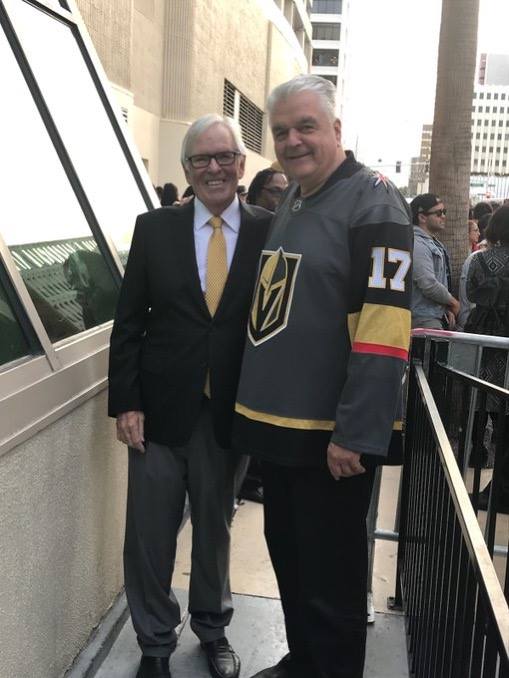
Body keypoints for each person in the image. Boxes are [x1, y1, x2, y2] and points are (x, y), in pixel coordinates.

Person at [233, 75, 412, 678]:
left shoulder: (374, 204)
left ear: (336, 129)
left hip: (329, 436)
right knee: (292, 560)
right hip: (279, 427)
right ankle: (303, 661)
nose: (292, 140)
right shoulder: (297, 198)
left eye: (306, 127)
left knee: (331, 578)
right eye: (281, 130)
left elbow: (384, 328)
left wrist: (356, 432)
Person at [108, 114, 271, 678]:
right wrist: (127, 402)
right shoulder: (154, 229)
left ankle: (212, 629)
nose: (214, 168)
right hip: (157, 411)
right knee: (149, 534)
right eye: (202, 159)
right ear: (187, 168)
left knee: (215, 529)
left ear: (241, 165)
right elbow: (129, 322)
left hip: (229, 412)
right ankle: (154, 643)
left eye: (224, 157)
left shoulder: (269, 231)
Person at [466, 204, 509, 510]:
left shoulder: (480, 259)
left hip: (487, 340)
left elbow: (470, 294)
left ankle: (480, 455)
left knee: (487, 398)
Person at [410, 193, 460, 330]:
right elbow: (428, 284)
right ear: (422, 217)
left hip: (432, 315)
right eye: (438, 213)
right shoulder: (418, 244)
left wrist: (445, 309)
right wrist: (453, 302)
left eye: (444, 212)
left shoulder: (430, 242)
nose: (443, 216)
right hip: (423, 319)